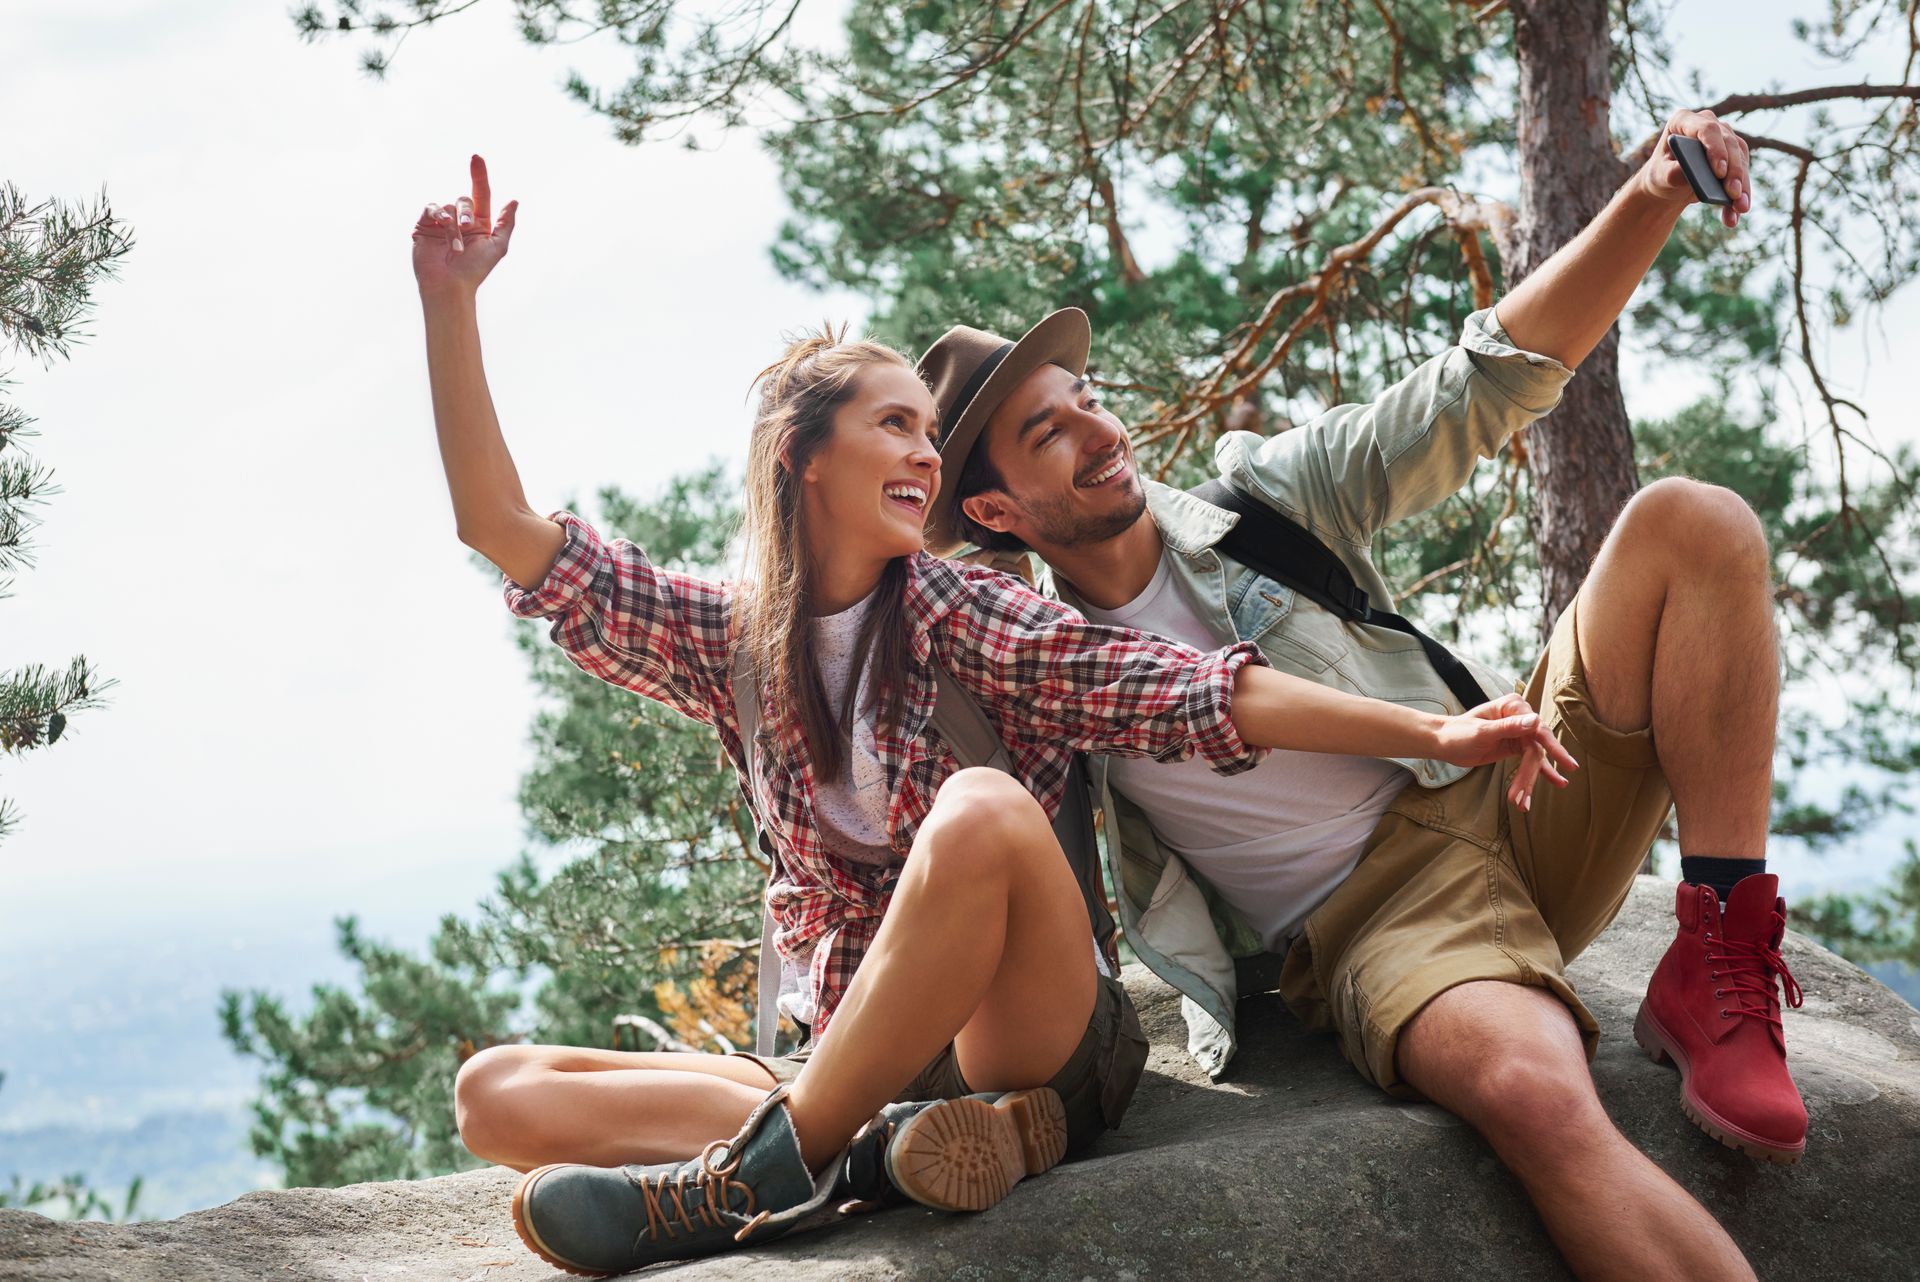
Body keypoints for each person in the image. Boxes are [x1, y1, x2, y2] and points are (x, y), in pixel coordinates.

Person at [408, 155, 1576, 1274]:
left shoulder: (964, 604)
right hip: (871, 1061)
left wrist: (1428, 731)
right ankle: (868, 1152)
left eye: (930, 428)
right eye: (895, 426)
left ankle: (761, 1174)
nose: (924, 452)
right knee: (495, 1093)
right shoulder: (734, 639)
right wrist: (449, 302)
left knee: (977, 811)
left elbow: (1183, 690)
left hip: (1028, 1039)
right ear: (804, 461)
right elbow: (502, 527)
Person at [922, 108, 1796, 1282]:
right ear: (993, 512)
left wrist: (1650, 192)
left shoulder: (1257, 504)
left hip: (1512, 781)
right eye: (1047, 432)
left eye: (1085, 395)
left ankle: (1720, 948)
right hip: (1382, 915)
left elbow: (1480, 384)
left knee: (1694, 522)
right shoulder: (1027, 672)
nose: (1095, 428)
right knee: (1532, 1094)